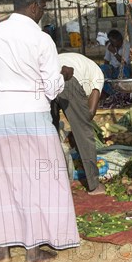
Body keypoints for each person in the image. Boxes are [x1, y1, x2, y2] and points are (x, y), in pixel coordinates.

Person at [0, 0, 79, 262]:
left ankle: (2, 248)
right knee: (38, 180)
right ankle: (33, 251)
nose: (43, 14)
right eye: (44, 8)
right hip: (32, 115)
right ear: (35, 6)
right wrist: (63, 75)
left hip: (1, 116)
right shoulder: (41, 39)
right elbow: (51, 88)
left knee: (5, 181)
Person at [51, 52, 105, 194]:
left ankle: (52, 179)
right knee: (84, 132)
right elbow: (90, 113)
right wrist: (78, 129)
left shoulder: (82, 62)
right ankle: (94, 185)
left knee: (50, 132)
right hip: (68, 79)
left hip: (47, 77)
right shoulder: (98, 76)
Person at [100, 29, 131, 96]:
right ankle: (112, 93)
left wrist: (114, 52)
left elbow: (124, 63)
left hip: (124, 68)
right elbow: (106, 60)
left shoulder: (126, 45)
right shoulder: (110, 45)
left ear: (119, 40)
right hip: (113, 68)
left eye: (113, 41)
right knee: (102, 69)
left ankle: (124, 93)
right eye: (110, 41)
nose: (111, 43)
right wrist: (105, 71)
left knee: (124, 69)